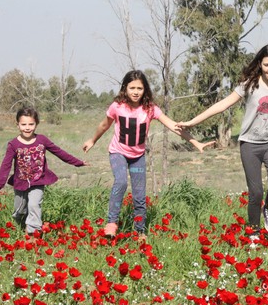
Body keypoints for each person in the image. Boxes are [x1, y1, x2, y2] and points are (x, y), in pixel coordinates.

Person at [177, 44, 268, 242]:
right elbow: (222, 105)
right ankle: (253, 232)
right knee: (256, 192)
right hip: (249, 144)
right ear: (260, 64)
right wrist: (192, 122)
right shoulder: (249, 84)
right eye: (267, 64)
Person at [82, 70, 214, 240]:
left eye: (139, 88)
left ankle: (140, 231)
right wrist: (93, 140)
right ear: (125, 88)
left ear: (145, 90)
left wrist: (196, 142)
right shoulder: (117, 106)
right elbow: (103, 125)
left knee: (139, 195)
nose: (135, 92)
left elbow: (174, 126)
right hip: (118, 153)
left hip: (138, 156)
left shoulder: (150, 109)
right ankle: (112, 222)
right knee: (121, 182)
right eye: (132, 88)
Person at [0, 107, 88, 236]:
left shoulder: (42, 140)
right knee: (20, 210)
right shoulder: (13, 144)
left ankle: (32, 233)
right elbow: (6, 165)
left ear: (36, 124)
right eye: (23, 124)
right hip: (20, 182)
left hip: (38, 180)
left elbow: (59, 152)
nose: (27, 127)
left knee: (34, 205)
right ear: (17, 125)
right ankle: (22, 222)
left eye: (31, 124)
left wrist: (78, 162)